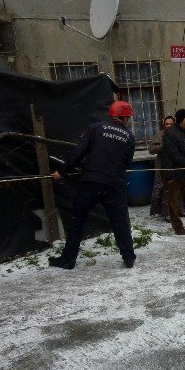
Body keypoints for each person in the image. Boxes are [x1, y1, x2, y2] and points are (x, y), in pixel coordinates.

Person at [48, 100, 136, 270]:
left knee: (77, 221)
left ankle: (68, 260)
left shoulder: (95, 128)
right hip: (114, 185)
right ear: (124, 117)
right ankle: (129, 257)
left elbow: (78, 152)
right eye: (128, 118)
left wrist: (61, 171)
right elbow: (127, 163)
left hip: (91, 182)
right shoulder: (130, 137)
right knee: (120, 222)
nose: (128, 121)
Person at [148, 115, 185, 220]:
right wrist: (163, 145)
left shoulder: (179, 134)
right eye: (166, 124)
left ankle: (180, 210)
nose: (168, 126)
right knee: (165, 192)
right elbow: (151, 149)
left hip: (177, 167)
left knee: (179, 190)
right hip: (163, 168)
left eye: (171, 124)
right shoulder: (160, 135)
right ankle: (167, 213)